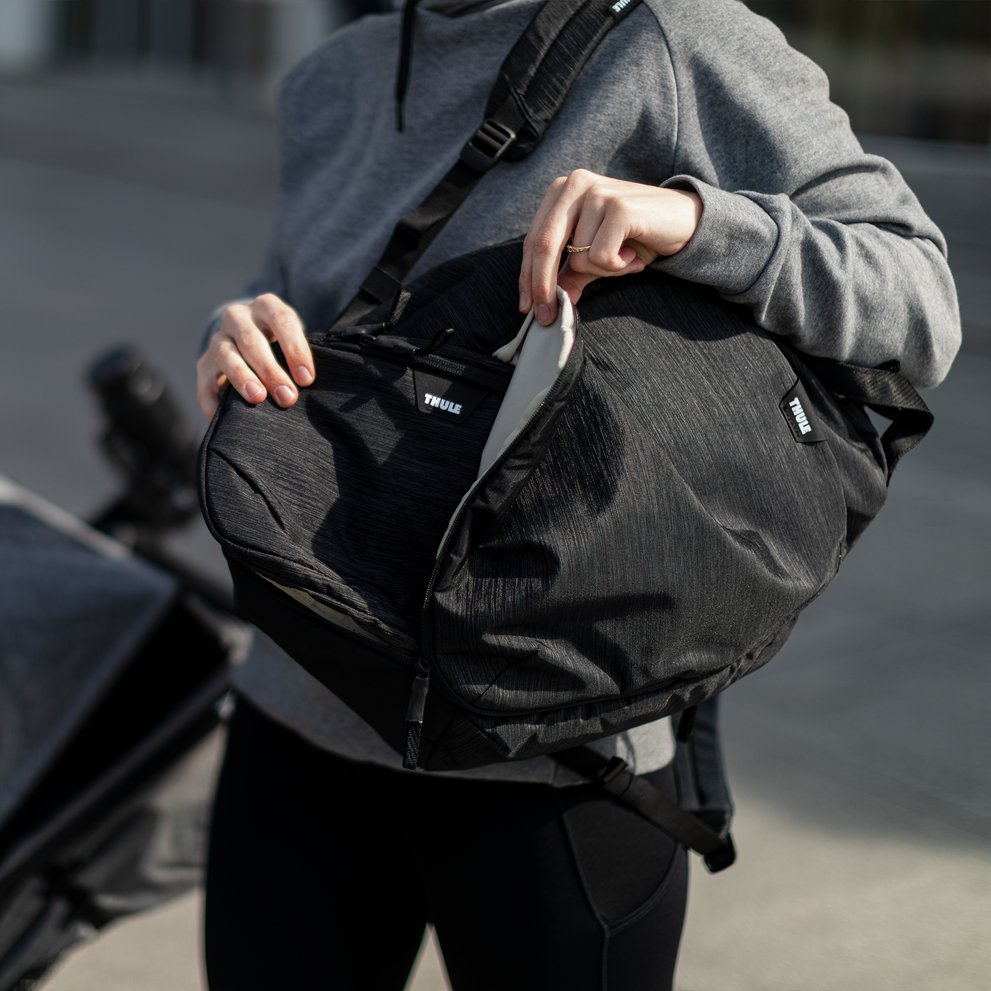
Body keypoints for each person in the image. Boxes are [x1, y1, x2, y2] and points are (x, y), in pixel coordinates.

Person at [196, 2, 960, 988]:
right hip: (302, 703)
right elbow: (306, 311)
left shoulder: (672, 39)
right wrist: (235, 336)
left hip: (556, 759)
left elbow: (918, 302)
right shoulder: (330, 79)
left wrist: (697, 224)